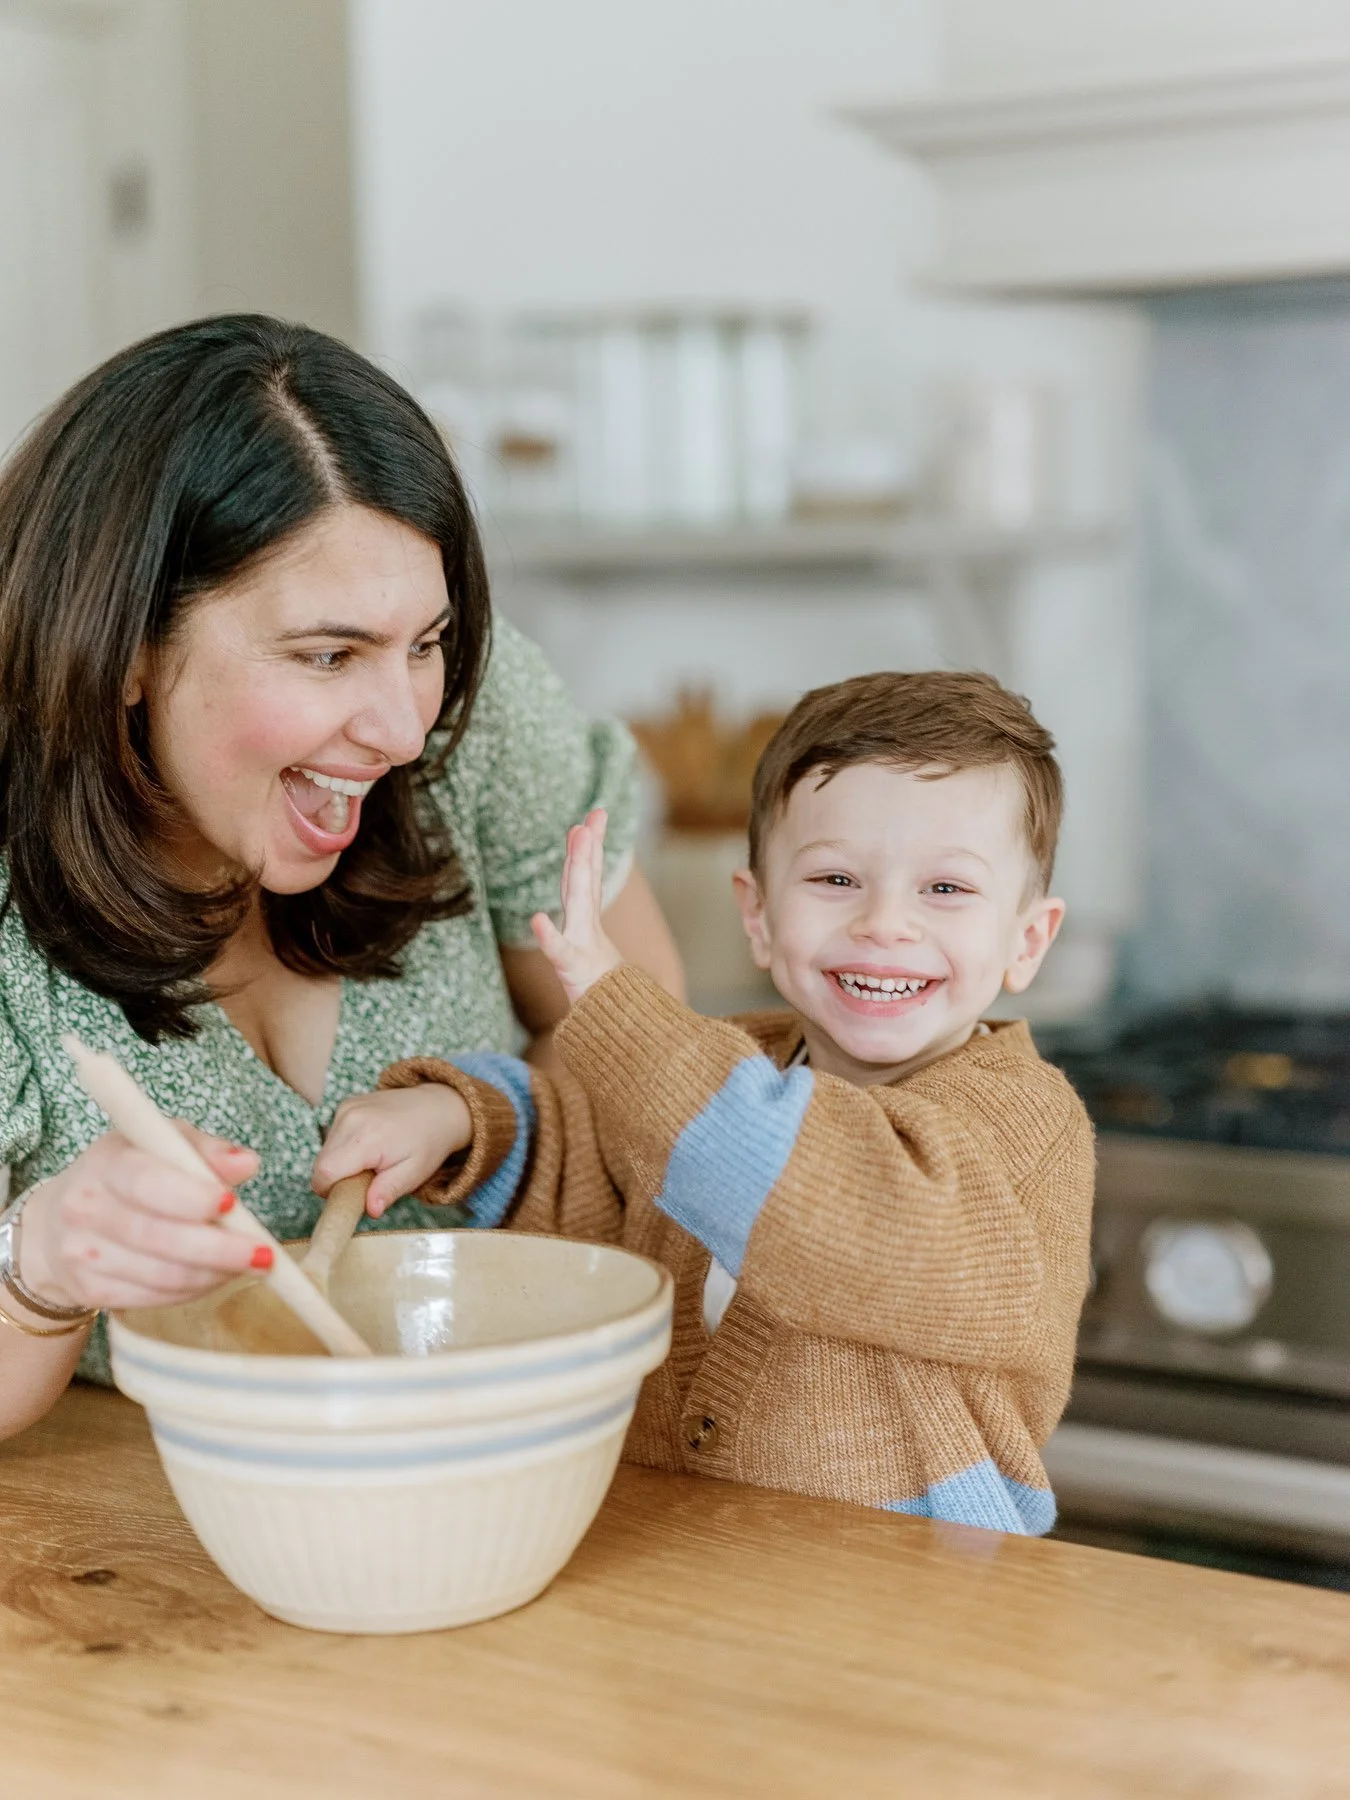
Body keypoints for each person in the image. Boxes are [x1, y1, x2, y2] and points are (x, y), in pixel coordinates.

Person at [0, 314, 682, 1440]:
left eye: (426, 642)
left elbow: (644, 1059)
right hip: (162, 1533)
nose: (407, 729)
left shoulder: (476, 713)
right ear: (123, 647)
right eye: (327, 655)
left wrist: (482, 1121)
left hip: (522, 1440)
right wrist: (43, 1260)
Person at [317, 671, 1096, 1532]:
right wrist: (465, 1122)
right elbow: (599, 1156)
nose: (885, 923)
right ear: (757, 917)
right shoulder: (723, 1072)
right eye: (836, 879)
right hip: (684, 1575)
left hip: (916, 1603)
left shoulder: (1026, 1125)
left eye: (945, 890)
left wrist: (623, 1009)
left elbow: (852, 1211)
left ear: (1027, 941)